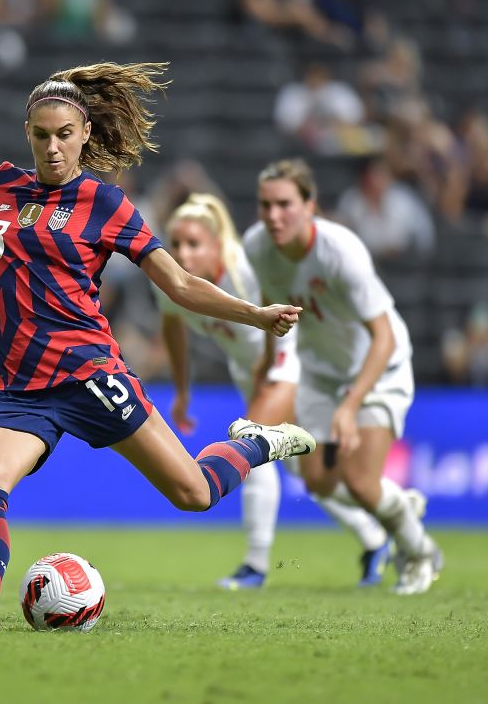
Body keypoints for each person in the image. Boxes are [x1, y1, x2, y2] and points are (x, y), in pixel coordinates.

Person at [0, 61, 314, 630]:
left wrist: (255, 315)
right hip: (17, 383)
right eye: (42, 135)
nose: (53, 147)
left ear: (85, 134)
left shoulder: (105, 203)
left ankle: (258, 444)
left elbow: (180, 283)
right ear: (27, 134)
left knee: (194, 493)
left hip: (89, 374)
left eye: (65, 135)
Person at [158, 193, 389, 589]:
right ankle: (377, 535)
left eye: (194, 244)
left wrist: (275, 370)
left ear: (217, 244)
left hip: (289, 361)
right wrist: (182, 391)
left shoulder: (244, 272)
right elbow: (172, 326)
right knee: (307, 472)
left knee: (252, 444)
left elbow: (287, 318)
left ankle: (255, 565)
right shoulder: (169, 282)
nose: (183, 253)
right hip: (249, 370)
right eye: (176, 244)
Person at [245, 158, 442, 595]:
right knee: (316, 481)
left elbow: (384, 336)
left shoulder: (339, 251)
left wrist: (351, 406)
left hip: (379, 368)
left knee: (359, 481)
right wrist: (266, 362)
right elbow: (269, 305)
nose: (274, 215)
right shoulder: (257, 246)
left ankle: (419, 554)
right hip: (318, 372)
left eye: (284, 204)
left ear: (310, 205)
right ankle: (398, 505)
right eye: (265, 205)